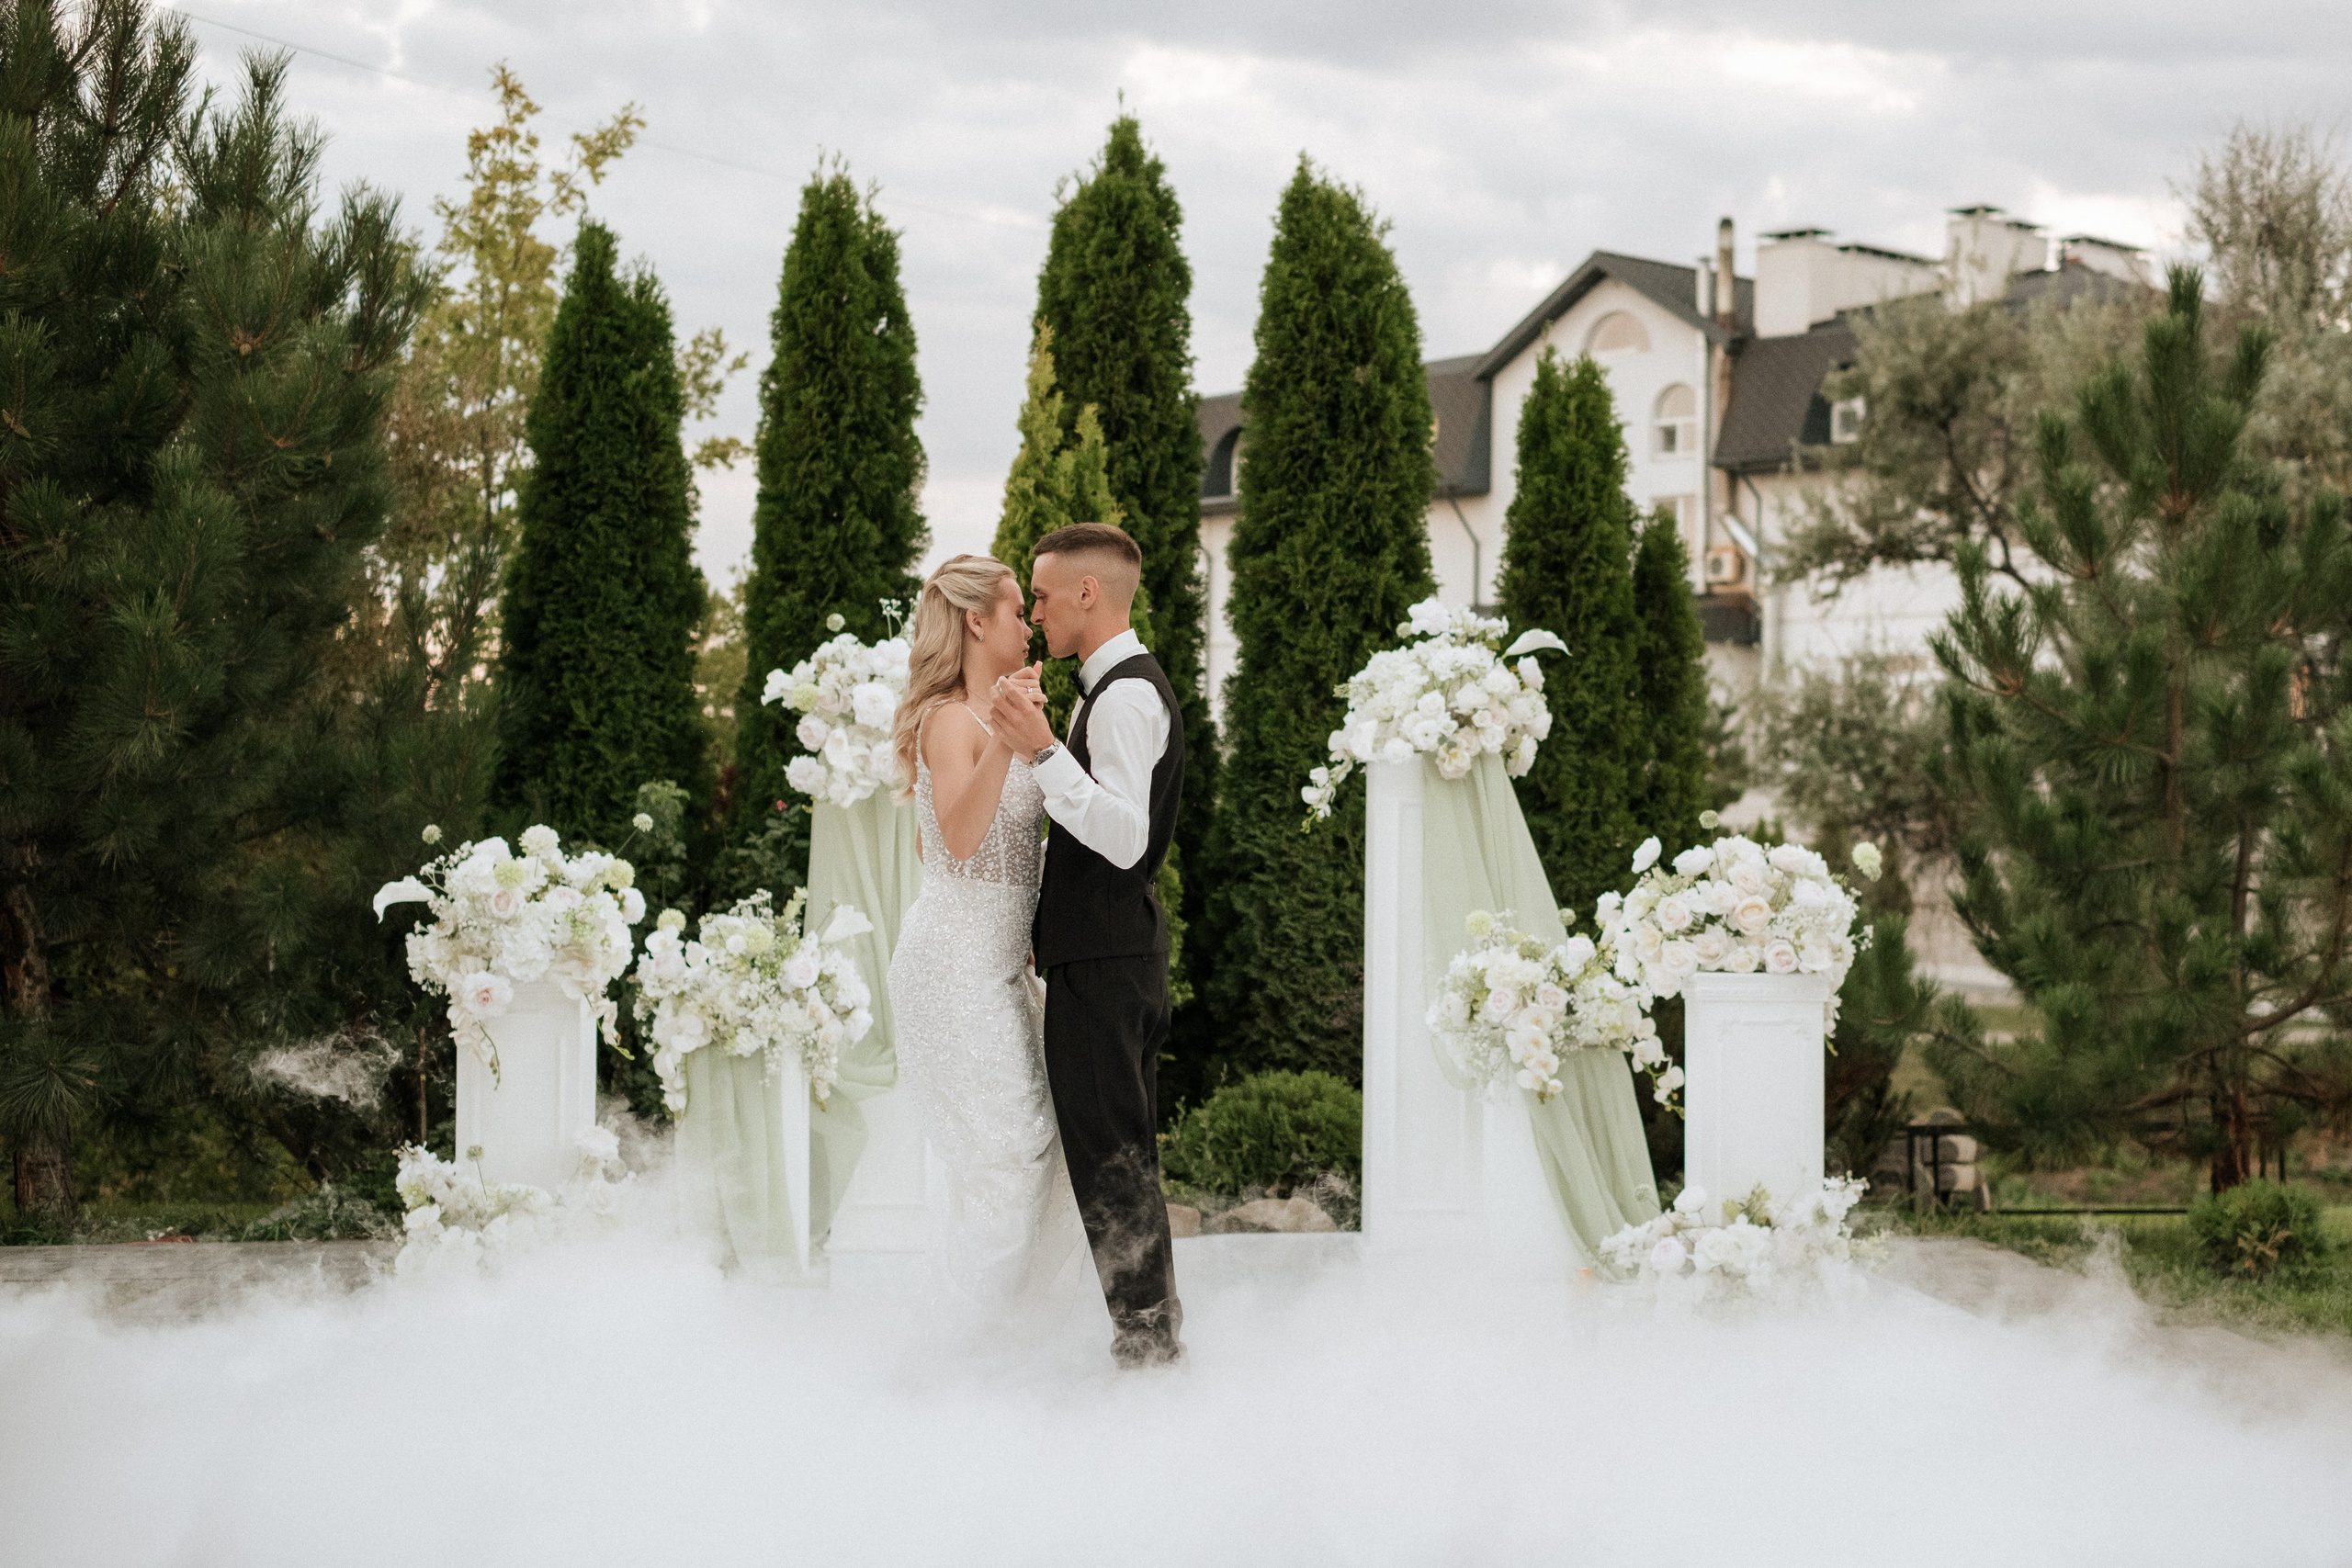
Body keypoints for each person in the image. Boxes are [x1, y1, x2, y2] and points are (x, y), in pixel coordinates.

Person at [989, 522, 1187, 1369]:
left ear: (1086, 592)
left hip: (1107, 968)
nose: (1033, 611)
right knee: (1118, 1156)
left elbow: (1126, 837)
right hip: (1098, 959)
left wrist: (1038, 750)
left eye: (1040, 594)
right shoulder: (1101, 690)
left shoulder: (1130, 696)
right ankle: (1151, 1339)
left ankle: (1147, 1352)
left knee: (1112, 1163)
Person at [886, 555, 1080, 1316]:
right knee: (1004, 1159)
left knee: (1046, 1150)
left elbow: (996, 849)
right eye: (1013, 610)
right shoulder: (946, 720)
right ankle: (958, 1354)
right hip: (951, 970)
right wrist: (1007, 737)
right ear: (976, 621)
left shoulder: (1013, 719)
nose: (1028, 624)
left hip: (1000, 968)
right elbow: (958, 842)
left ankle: (1006, 1338)